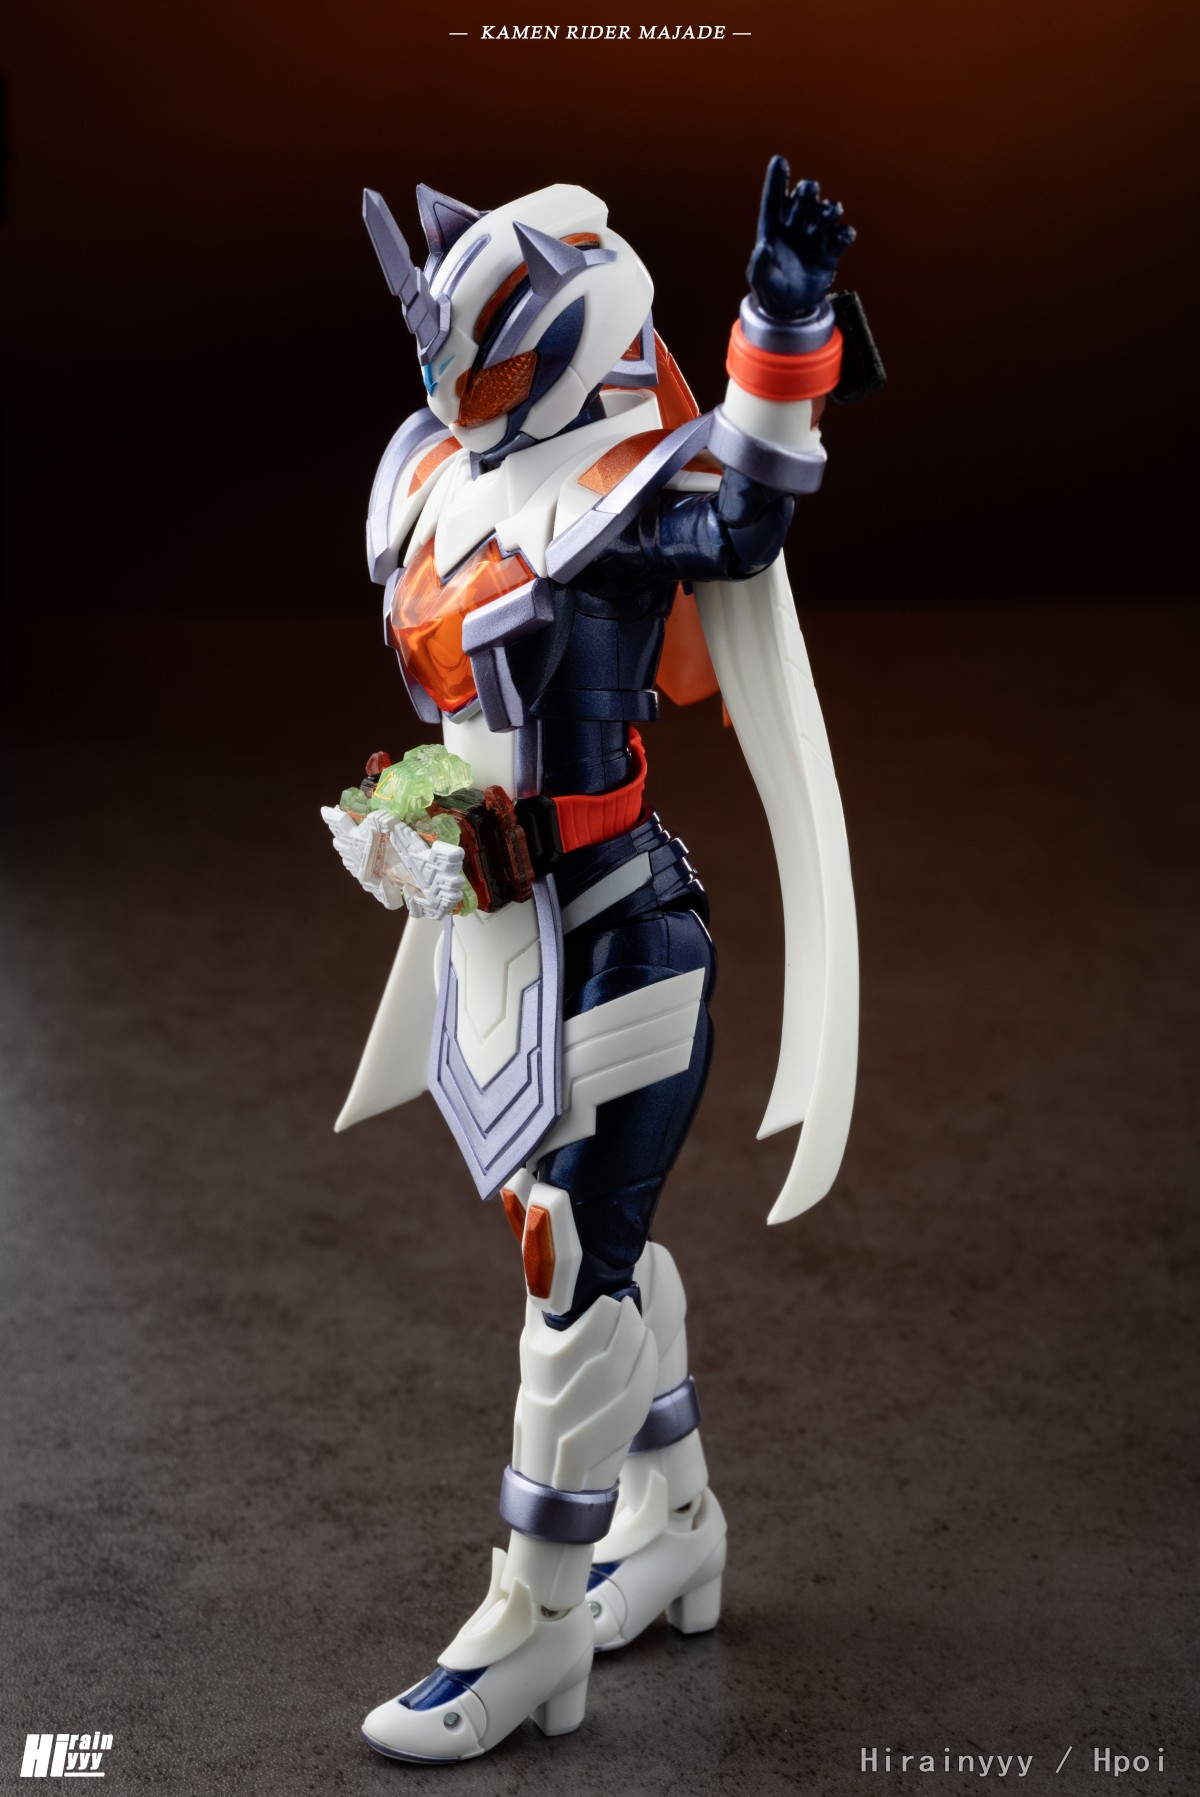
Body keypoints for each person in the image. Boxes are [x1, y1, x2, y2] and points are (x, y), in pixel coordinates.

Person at [323, 158, 879, 1763]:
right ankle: (678, 1521)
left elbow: (748, 513)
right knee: (588, 1254)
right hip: (499, 937)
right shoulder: (436, 477)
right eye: (445, 360)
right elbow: (465, 722)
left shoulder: (625, 489)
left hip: (628, 936)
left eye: (489, 365)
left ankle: (536, 1618)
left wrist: (782, 323)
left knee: (567, 1270)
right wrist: (412, 825)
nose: (461, 395)